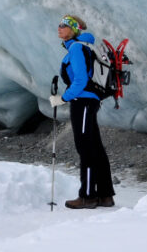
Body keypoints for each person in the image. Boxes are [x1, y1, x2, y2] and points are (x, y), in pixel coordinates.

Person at [48, 14, 116, 208]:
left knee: (85, 148)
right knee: (95, 148)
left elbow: (80, 81)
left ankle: (88, 196)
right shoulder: (82, 47)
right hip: (89, 102)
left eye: (64, 25)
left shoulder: (77, 48)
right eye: (59, 24)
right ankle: (105, 195)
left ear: (74, 29)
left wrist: (63, 98)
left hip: (83, 102)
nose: (59, 28)